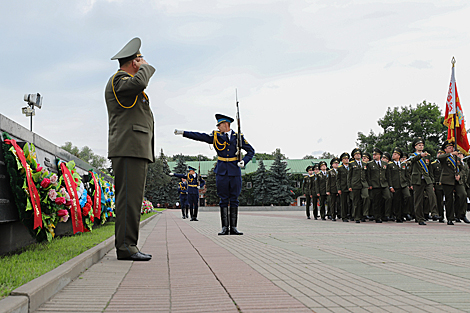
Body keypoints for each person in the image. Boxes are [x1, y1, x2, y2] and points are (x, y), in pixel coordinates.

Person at [105, 37, 155, 261]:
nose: (144, 62)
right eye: (140, 58)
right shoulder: (119, 80)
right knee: (128, 200)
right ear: (134, 62)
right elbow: (139, 84)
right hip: (129, 148)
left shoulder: (125, 82)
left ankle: (129, 244)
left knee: (133, 200)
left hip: (135, 148)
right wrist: (146, 68)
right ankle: (126, 247)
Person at [174, 114, 254, 235]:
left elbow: (251, 151)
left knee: (234, 199)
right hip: (221, 171)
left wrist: (244, 161)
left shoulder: (238, 137)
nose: (218, 127)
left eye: (219, 125)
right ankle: (224, 227)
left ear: (226, 124)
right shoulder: (216, 136)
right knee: (223, 199)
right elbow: (200, 136)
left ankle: (233, 228)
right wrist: (184, 133)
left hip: (234, 171)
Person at [409, 137, 438, 225]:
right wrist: (420, 156)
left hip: (427, 178)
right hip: (417, 179)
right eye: (419, 145)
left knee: (432, 195)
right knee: (418, 200)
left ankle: (434, 213)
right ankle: (420, 218)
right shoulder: (412, 155)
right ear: (415, 146)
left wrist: (432, 181)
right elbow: (412, 161)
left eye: (422, 145)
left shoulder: (427, 155)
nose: (421, 147)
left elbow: (430, 169)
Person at [438, 141, 466, 225]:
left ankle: (459, 214)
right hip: (447, 180)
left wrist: (460, 175)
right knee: (449, 199)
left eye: (452, 147)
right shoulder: (445, 157)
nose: (452, 149)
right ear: (445, 149)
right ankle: (450, 218)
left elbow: (462, 169)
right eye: (449, 148)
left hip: (457, 180)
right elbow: (440, 158)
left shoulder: (456, 157)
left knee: (463, 195)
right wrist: (450, 154)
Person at [367, 148, 392, 223]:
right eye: (373, 154)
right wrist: (370, 184)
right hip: (375, 185)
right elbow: (368, 175)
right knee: (377, 201)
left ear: (379, 155)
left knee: (388, 197)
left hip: (384, 184)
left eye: (376, 154)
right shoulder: (370, 164)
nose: (374, 156)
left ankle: (385, 215)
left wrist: (389, 185)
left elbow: (388, 175)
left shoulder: (384, 164)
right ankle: (377, 217)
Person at [387, 147, 411, 223]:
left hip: (403, 184)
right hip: (395, 185)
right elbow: (389, 176)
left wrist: (409, 184)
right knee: (397, 201)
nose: (393, 155)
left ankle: (404, 213)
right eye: (393, 154)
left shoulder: (403, 164)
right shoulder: (390, 165)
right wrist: (390, 186)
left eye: (395, 154)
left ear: (399, 156)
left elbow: (407, 175)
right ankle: (398, 216)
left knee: (407, 196)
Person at [348, 148, 369, 223]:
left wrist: (368, 184)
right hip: (355, 184)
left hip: (363, 184)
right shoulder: (351, 164)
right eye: (356, 154)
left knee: (366, 197)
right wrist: (349, 186)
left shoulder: (364, 164)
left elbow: (367, 175)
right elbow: (349, 176)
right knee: (356, 201)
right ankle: (357, 217)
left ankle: (364, 214)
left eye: (359, 154)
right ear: (353, 156)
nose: (358, 155)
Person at [430, 149, 445, 222]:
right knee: (437, 201)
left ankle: (445, 216)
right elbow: (431, 175)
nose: (439, 154)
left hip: (445, 184)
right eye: (438, 153)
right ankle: (438, 215)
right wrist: (432, 184)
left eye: (441, 153)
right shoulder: (434, 164)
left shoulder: (446, 163)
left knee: (444, 201)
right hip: (437, 184)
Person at [336, 152, 352, 222]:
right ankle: (344, 216)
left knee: (351, 202)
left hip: (351, 187)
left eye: (347, 158)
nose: (346, 160)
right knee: (344, 203)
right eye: (345, 159)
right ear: (342, 160)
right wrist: (339, 188)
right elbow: (338, 180)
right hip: (343, 187)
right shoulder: (340, 168)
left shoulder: (351, 167)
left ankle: (351, 215)